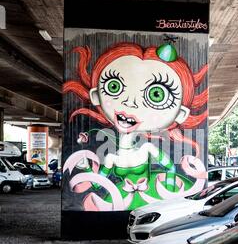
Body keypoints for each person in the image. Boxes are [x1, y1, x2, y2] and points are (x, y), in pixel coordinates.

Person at [63, 42, 208, 210]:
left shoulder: (146, 148)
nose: (130, 102)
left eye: (156, 94)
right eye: (114, 86)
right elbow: (99, 185)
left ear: (180, 114)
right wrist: (86, 166)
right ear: (95, 95)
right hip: (120, 199)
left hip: (154, 196)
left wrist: (168, 190)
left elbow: (169, 167)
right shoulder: (111, 158)